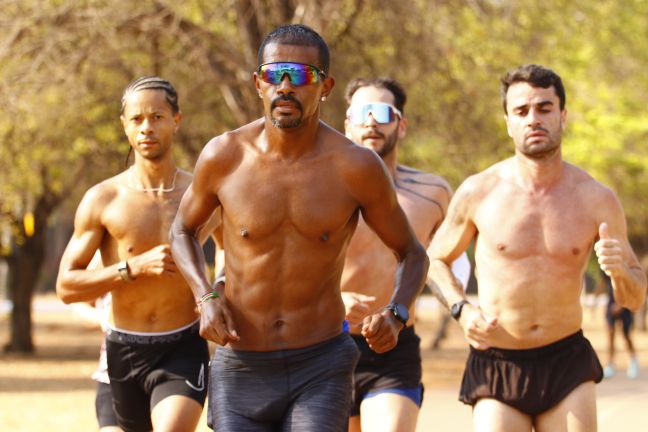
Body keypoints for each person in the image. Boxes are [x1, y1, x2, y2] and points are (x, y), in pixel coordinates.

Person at [169, 24, 429, 432]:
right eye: (275, 74)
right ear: (258, 83)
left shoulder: (356, 167)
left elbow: (412, 252)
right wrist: (205, 296)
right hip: (241, 363)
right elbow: (181, 230)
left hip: (320, 362)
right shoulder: (224, 156)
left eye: (302, 75)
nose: (285, 86)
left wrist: (396, 313)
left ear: (325, 86)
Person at [428, 64, 647, 432]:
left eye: (545, 108)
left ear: (563, 116)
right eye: (522, 111)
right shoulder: (479, 191)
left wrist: (621, 272)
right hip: (497, 362)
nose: (533, 119)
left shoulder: (596, 199)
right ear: (508, 122)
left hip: (566, 360)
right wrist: (462, 310)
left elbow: (634, 298)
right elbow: (434, 259)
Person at [56, 76, 220, 432]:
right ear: (125, 126)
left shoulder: (201, 194)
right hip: (121, 349)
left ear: (176, 120)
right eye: (137, 119)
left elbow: (234, 252)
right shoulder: (104, 199)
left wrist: (216, 290)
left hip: (182, 346)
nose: (147, 127)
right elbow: (67, 285)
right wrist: (131, 268)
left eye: (157, 117)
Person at [341, 77, 471, 432]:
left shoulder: (434, 192)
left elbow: (448, 262)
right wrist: (334, 298)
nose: (371, 121)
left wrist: (464, 309)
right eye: (361, 112)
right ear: (347, 123)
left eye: (381, 112)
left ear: (401, 124)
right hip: (326, 345)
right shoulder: (321, 189)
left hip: (393, 348)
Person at [598, 270, 640, 379]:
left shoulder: (625, 266)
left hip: (625, 305)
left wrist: (620, 306)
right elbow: (603, 283)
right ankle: (610, 364)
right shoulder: (605, 267)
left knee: (626, 335)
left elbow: (631, 289)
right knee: (610, 334)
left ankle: (633, 361)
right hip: (611, 303)